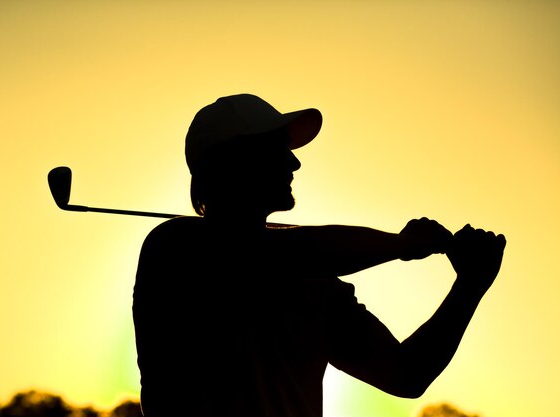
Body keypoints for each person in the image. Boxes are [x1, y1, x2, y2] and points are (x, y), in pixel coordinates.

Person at [132, 94, 506, 417]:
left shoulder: (316, 279)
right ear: (232, 162)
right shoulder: (174, 247)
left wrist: (469, 287)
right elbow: (293, 253)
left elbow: (407, 375)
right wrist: (402, 245)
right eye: (277, 149)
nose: (294, 164)